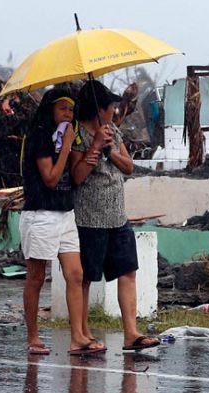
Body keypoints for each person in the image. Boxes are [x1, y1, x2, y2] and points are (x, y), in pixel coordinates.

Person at [70, 80, 160, 351]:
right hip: (90, 218)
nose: (114, 110)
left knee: (127, 271)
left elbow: (129, 166)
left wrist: (109, 150)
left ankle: (131, 333)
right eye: (110, 106)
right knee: (86, 278)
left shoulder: (113, 132)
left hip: (117, 216)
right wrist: (95, 148)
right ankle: (83, 333)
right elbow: (76, 176)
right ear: (99, 109)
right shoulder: (77, 136)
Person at [20, 88, 105, 355]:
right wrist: (67, 146)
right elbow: (51, 179)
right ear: (50, 110)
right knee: (36, 277)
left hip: (65, 212)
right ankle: (33, 337)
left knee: (76, 274)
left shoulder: (68, 136)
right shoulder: (40, 137)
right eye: (62, 109)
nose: (68, 114)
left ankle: (78, 337)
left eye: (71, 109)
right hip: (41, 214)